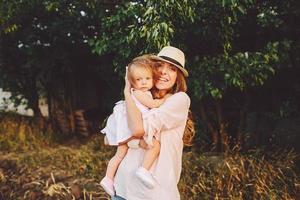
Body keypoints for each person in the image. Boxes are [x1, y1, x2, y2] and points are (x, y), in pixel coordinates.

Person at [112, 46, 195, 200]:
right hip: (123, 188)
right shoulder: (139, 99)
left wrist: (127, 94)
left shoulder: (179, 99)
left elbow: (136, 130)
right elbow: (110, 136)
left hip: (154, 193)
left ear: (178, 77)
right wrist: (129, 94)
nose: (163, 71)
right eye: (159, 66)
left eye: (172, 69)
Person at [100, 56, 170, 196]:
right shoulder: (138, 93)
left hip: (127, 128)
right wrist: (166, 99)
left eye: (147, 79)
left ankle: (108, 178)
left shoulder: (142, 93)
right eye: (139, 80)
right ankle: (143, 170)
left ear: (152, 78)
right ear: (132, 82)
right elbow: (153, 105)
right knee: (154, 145)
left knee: (120, 155)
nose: (143, 82)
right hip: (129, 128)